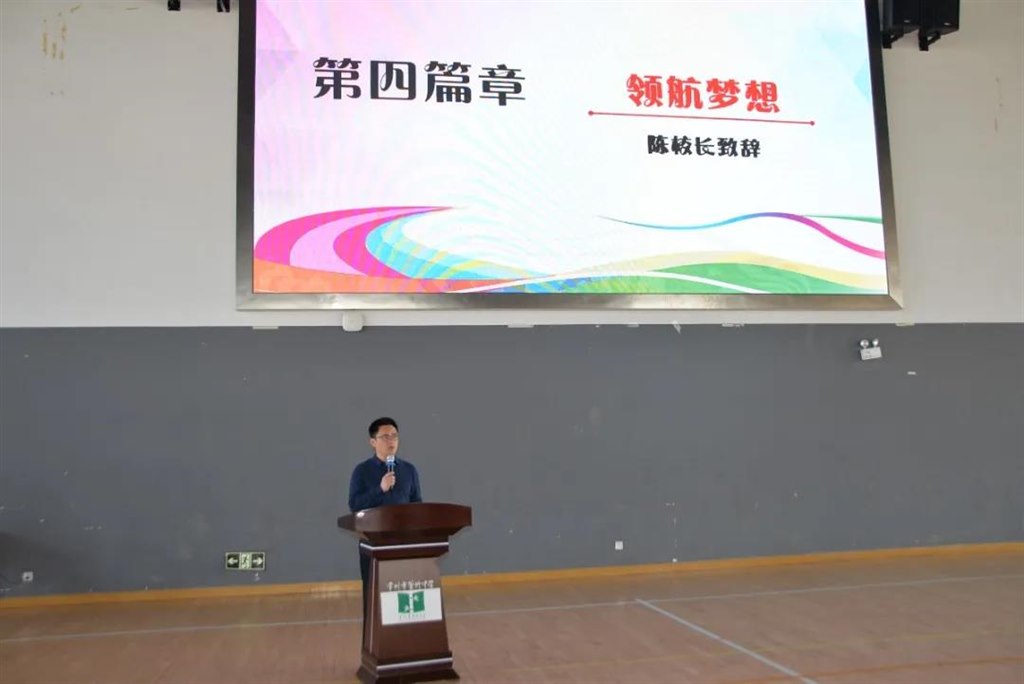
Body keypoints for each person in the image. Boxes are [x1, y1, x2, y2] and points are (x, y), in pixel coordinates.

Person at [347, 417, 422, 635]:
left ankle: (403, 639)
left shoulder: (409, 470)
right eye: (385, 437)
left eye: (395, 436)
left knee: (403, 595)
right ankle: (374, 641)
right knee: (375, 596)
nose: (391, 441)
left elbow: (416, 503)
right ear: (373, 442)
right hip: (374, 543)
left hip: (404, 542)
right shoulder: (362, 471)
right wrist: (380, 489)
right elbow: (355, 505)